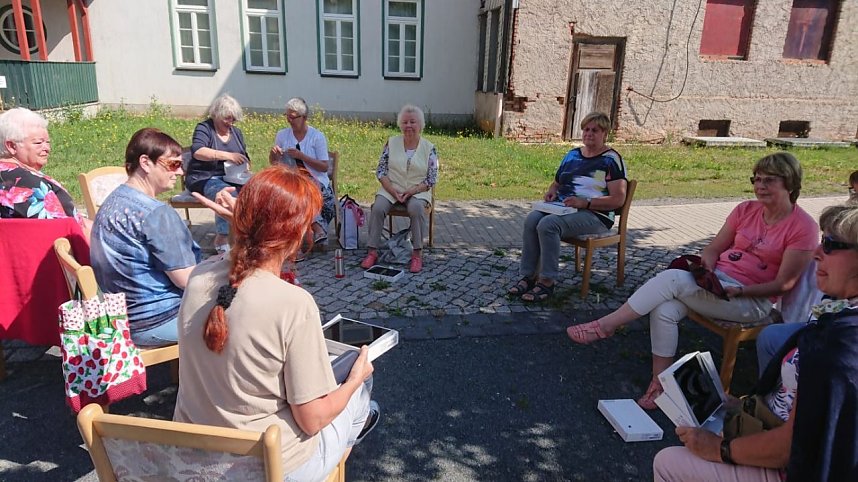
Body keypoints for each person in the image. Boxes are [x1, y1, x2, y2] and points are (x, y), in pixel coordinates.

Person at [568, 152, 819, 409]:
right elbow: (713, 248)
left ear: (790, 183)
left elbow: (784, 285)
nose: (760, 186)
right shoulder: (746, 210)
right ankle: (659, 385)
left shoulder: (803, 227)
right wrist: (706, 267)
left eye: (769, 180)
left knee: (672, 280)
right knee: (665, 309)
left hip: (752, 300)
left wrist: (741, 290)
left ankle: (605, 326)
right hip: (717, 285)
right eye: (757, 179)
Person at [174, 166, 378, 481]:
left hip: (196, 459)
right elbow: (312, 420)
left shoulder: (200, 277)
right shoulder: (293, 304)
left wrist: (244, 227)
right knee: (363, 394)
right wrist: (354, 380)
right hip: (269, 467)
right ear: (297, 235)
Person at [652, 202, 858, 482]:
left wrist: (718, 448)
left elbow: (792, 446)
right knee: (668, 302)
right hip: (774, 427)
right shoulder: (841, 316)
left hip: (793, 467)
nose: (817, 253)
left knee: (668, 461)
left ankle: (605, 326)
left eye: (831, 245)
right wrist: (743, 406)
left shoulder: (840, 348)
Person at [90, 128, 201, 347]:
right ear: (146, 163)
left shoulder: (112, 201)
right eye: (173, 164)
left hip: (121, 317)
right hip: (158, 320)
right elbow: (188, 280)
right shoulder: (156, 214)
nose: (180, 172)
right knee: (242, 317)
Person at [506, 112, 627, 302]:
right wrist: (552, 191)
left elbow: (618, 199)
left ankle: (547, 281)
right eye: (586, 129)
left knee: (548, 225)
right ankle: (529, 276)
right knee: (532, 219)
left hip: (596, 215)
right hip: (564, 208)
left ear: (605, 133)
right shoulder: (572, 155)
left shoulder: (611, 160)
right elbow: (557, 183)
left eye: (595, 130)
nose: (589, 134)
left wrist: (585, 203)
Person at [360, 104, 439, 273]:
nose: (408, 125)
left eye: (412, 122)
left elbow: (431, 179)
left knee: (416, 209)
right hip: (392, 188)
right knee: (378, 207)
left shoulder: (429, 148)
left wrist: (412, 191)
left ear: (420, 125)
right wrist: (392, 191)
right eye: (405, 122)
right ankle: (372, 251)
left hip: (418, 191)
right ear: (400, 125)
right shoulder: (391, 143)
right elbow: (381, 171)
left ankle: (417, 254)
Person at [0, 108, 91, 233]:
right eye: (38, 143)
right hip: (58, 243)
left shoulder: (12, 173)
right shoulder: (27, 183)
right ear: (11, 146)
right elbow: (63, 231)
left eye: (48, 142)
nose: (47, 148)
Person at [186, 93, 250, 254]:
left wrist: (245, 164)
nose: (230, 123)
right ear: (216, 114)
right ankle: (222, 237)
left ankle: (247, 234)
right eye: (227, 118)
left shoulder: (236, 133)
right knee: (227, 193)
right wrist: (227, 155)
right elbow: (198, 151)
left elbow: (245, 156)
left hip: (232, 177)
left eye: (233, 119)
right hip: (204, 177)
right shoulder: (205, 128)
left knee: (257, 191)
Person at [269, 97, 334, 247]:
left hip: (315, 181)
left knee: (302, 194)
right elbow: (274, 163)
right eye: (287, 116)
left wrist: (302, 156)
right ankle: (317, 230)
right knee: (294, 193)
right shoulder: (282, 135)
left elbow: (324, 167)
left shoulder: (317, 137)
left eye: (292, 117)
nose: (289, 120)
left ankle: (298, 240)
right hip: (291, 180)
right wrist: (274, 154)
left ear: (304, 117)